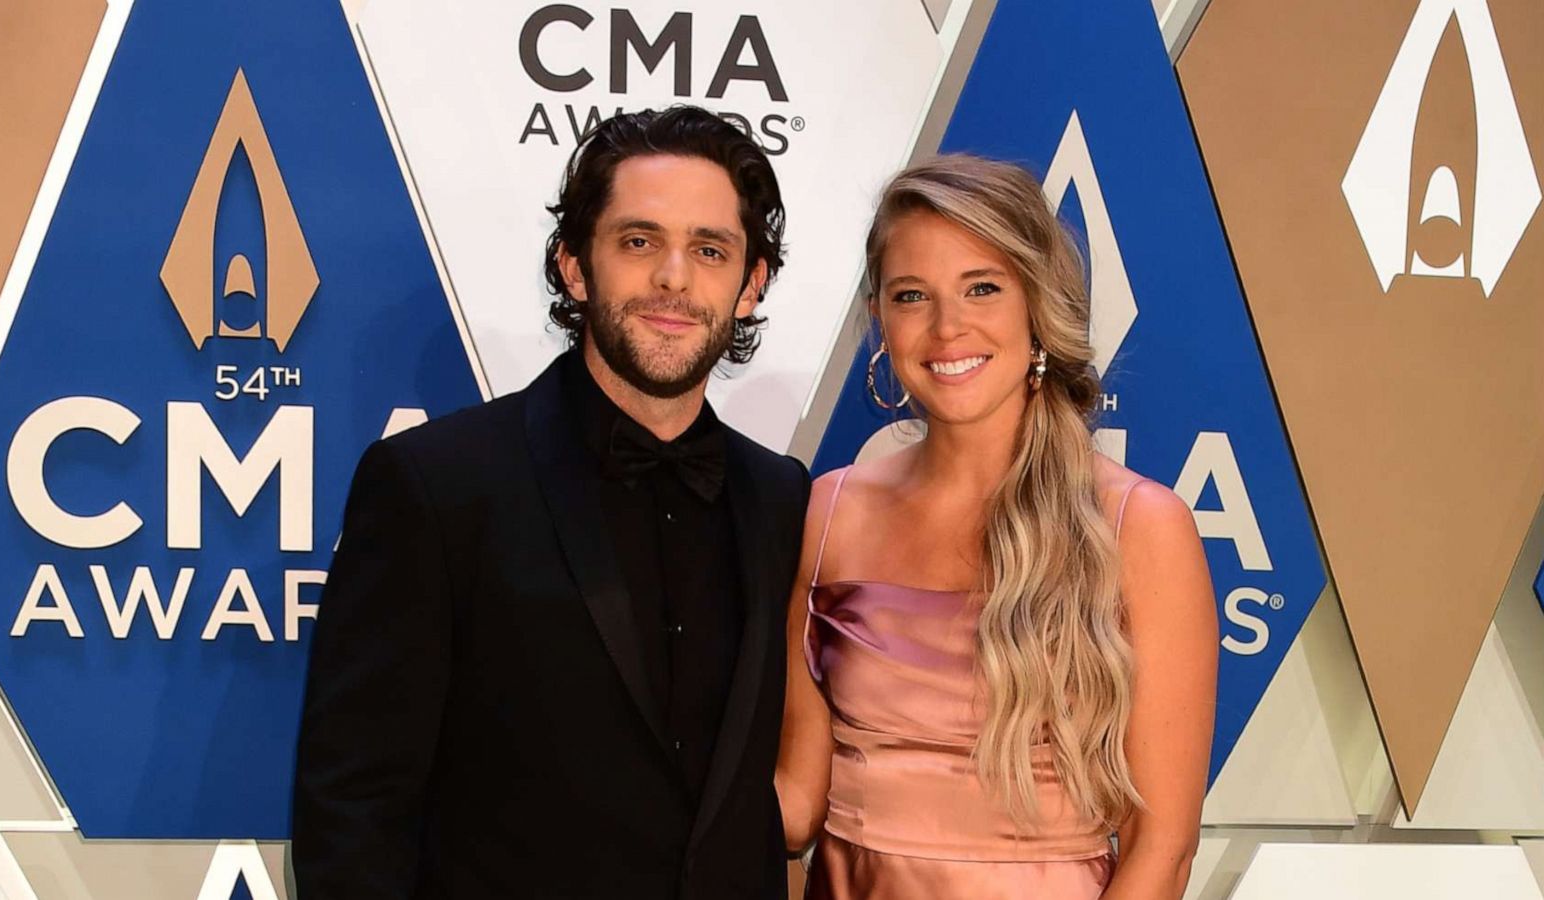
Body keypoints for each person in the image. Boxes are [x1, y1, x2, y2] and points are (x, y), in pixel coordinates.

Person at [292, 106, 810, 900]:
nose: (674, 277)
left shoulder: (780, 497)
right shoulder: (435, 484)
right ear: (574, 267)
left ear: (751, 285)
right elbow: (354, 805)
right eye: (639, 242)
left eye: (710, 250)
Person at [774, 155, 1217, 899]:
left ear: (1035, 305)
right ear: (880, 319)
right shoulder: (827, 513)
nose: (948, 328)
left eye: (982, 288)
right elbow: (795, 807)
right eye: (912, 295)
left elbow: (1162, 847)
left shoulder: (1141, 526)